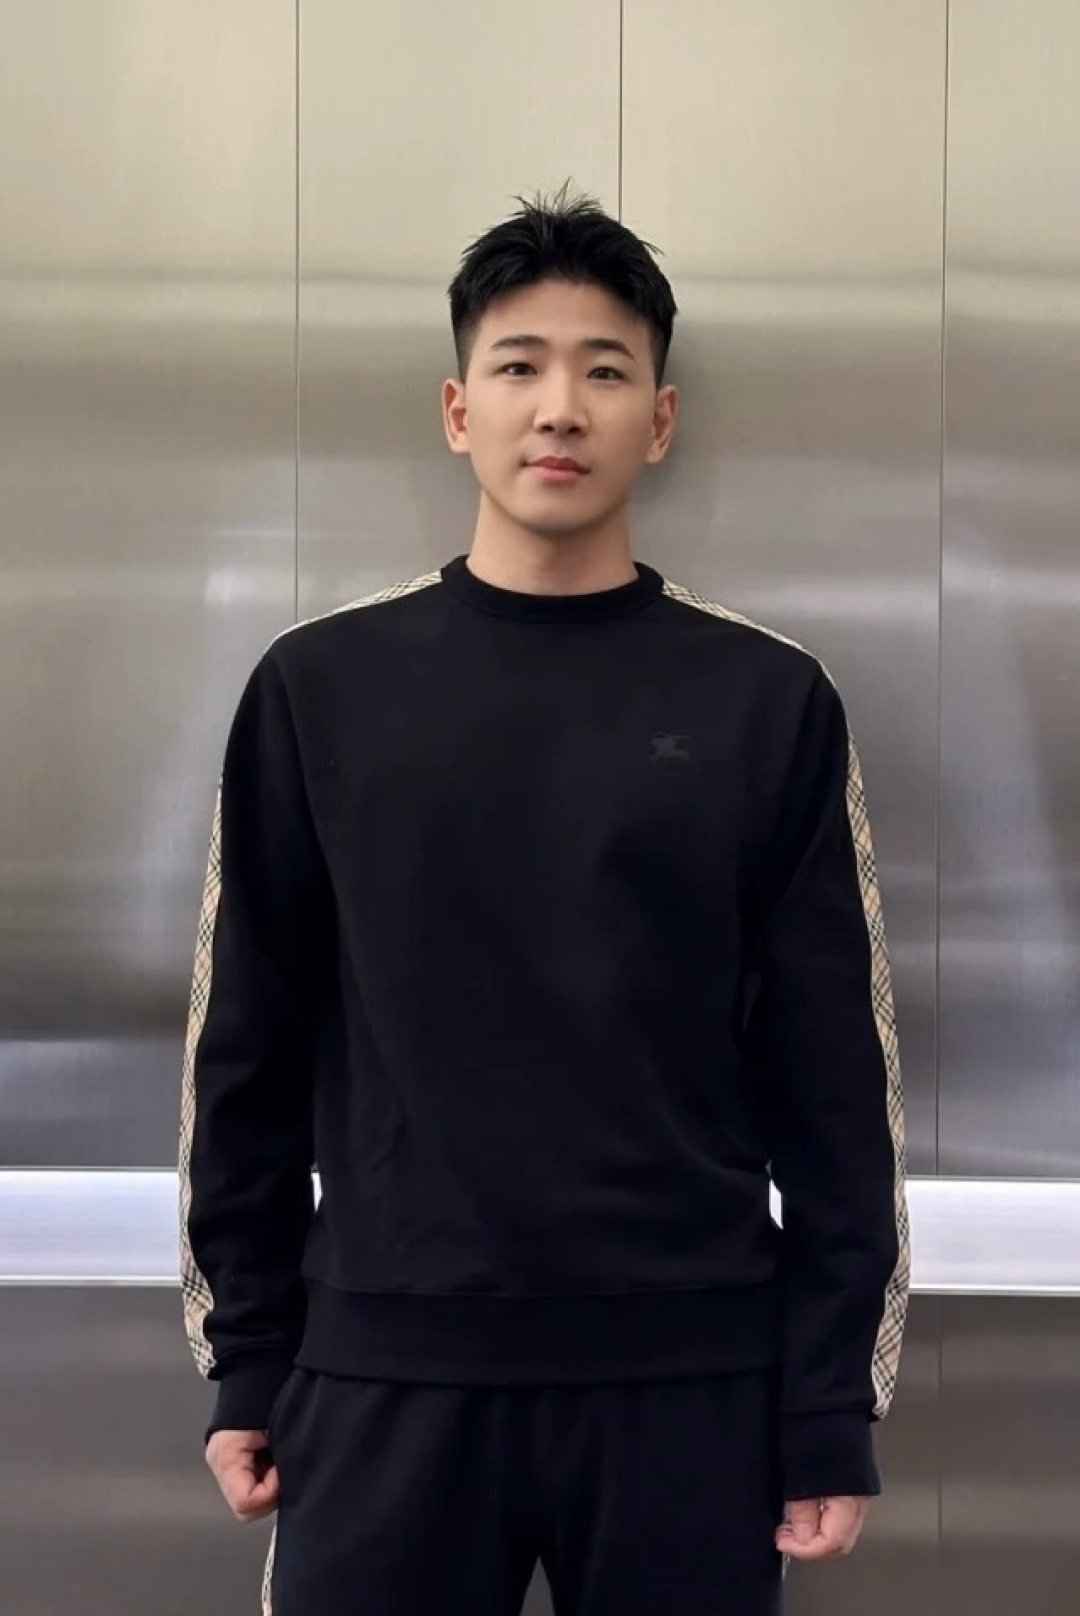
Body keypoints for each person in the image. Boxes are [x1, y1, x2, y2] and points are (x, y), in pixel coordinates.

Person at [179, 186, 910, 1616]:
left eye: (605, 370)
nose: (559, 407)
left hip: (687, 1383)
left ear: (662, 418)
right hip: (385, 1371)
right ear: (459, 411)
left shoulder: (766, 700)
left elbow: (836, 1076)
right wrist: (249, 1354)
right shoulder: (321, 689)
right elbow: (242, 1051)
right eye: (519, 366)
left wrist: (828, 1398)